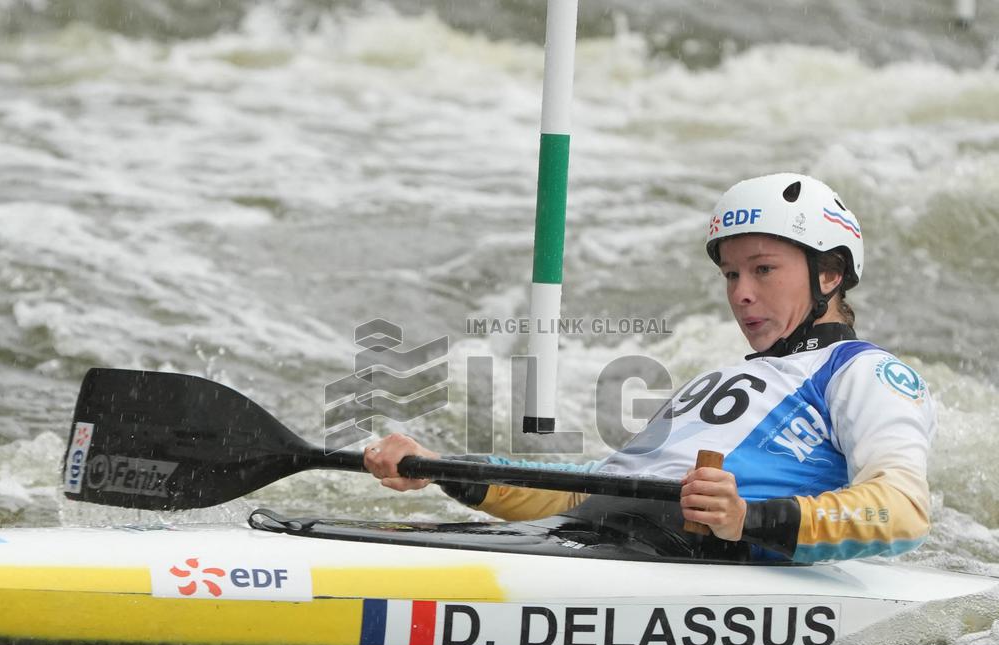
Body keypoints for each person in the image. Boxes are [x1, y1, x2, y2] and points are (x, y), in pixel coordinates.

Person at [363, 173, 936, 563]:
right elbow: (578, 496)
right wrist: (446, 469)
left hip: (683, 561)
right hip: (589, 539)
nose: (741, 294)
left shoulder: (862, 372)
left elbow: (904, 509)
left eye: (763, 270)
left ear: (830, 274)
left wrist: (750, 518)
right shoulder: (720, 379)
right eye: (731, 275)